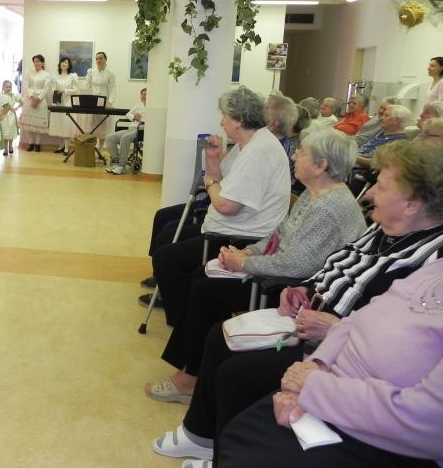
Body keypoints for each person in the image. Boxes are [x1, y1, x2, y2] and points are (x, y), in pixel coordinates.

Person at [150, 140, 443, 463]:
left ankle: (212, 443)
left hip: (334, 349)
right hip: (312, 320)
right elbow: (328, 263)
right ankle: (201, 435)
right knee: (219, 331)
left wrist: (248, 263)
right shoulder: (381, 228)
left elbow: (384, 332)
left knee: (236, 371)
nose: (369, 193)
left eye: (382, 186)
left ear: (412, 205)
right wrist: (303, 289)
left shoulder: (428, 259)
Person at [145, 130, 366, 406]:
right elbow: (279, 235)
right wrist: (248, 251)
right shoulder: (315, 195)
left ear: (321, 165)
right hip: (284, 273)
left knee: (206, 291)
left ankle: (189, 378)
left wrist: (243, 262)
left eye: (302, 153)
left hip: (295, 289)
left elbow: (297, 264)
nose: (294, 156)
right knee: (202, 277)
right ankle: (193, 366)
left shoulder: (329, 207)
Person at [217, 257, 443, 468]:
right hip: (330, 382)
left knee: (248, 447)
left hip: (385, 434)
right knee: (239, 431)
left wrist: (312, 386)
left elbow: (430, 422)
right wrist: (316, 364)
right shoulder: (435, 268)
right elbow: (355, 320)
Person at [143, 86, 291, 326]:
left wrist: (209, 182)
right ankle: (184, 314)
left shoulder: (258, 152)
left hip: (241, 237)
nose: (221, 122)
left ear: (239, 120)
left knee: (166, 259)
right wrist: (213, 159)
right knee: (166, 238)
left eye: (225, 116)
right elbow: (221, 180)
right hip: (227, 227)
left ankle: (183, 323)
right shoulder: (246, 145)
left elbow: (225, 205)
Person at [106, 87, 146, 174]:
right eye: (142, 94)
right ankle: (116, 162)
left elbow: (152, 121)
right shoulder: (138, 105)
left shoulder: (151, 107)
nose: (144, 96)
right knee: (110, 137)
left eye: (146, 95)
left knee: (125, 137)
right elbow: (128, 114)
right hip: (131, 128)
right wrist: (134, 117)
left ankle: (122, 166)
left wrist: (141, 119)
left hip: (141, 130)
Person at [18, 54, 54, 152]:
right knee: (29, 123)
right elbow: (26, 86)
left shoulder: (47, 74)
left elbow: (46, 88)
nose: (36, 63)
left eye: (38, 61)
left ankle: (37, 144)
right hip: (29, 100)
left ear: (42, 62)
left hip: (41, 101)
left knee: (39, 124)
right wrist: (31, 97)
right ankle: (31, 143)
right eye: (34, 61)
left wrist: (38, 98)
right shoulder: (29, 73)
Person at [85, 51, 117, 148]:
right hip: (92, 100)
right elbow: (87, 86)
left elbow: (113, 88)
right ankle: (92, 147)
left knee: (103, 125)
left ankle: (100, 149)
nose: (98, 60)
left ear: (105, 60)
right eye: (97, 58)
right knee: (92, 124)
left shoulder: (110, 72)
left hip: (104, 100)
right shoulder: (91, 71)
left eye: (100, 58)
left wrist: (110, 102)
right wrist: (86, 99)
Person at [48, 57, 79, 155]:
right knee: (58, 124)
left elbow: (76, 90)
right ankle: (61, 145)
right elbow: (53, 89)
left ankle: (66, 147)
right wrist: (55, 94)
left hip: (68, 103)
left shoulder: (72, 76)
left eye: (65, 62)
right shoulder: (55, 77)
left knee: (66, 124)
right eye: (62, 62)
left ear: (69, 65)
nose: (63, 64)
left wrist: (64, 91)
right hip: (58, 102)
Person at [0, 80, 21, 156]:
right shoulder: (0, 96)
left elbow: (22, 101)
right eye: (7, 87)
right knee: (5, 132)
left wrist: (16, 108)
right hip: (4, 116)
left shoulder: (13, 96)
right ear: (3, 87)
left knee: (11, 132)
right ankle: (5, 148)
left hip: (11, 116)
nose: (8, 88)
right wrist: (0, 115)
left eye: (10, 87)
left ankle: (10, 146)